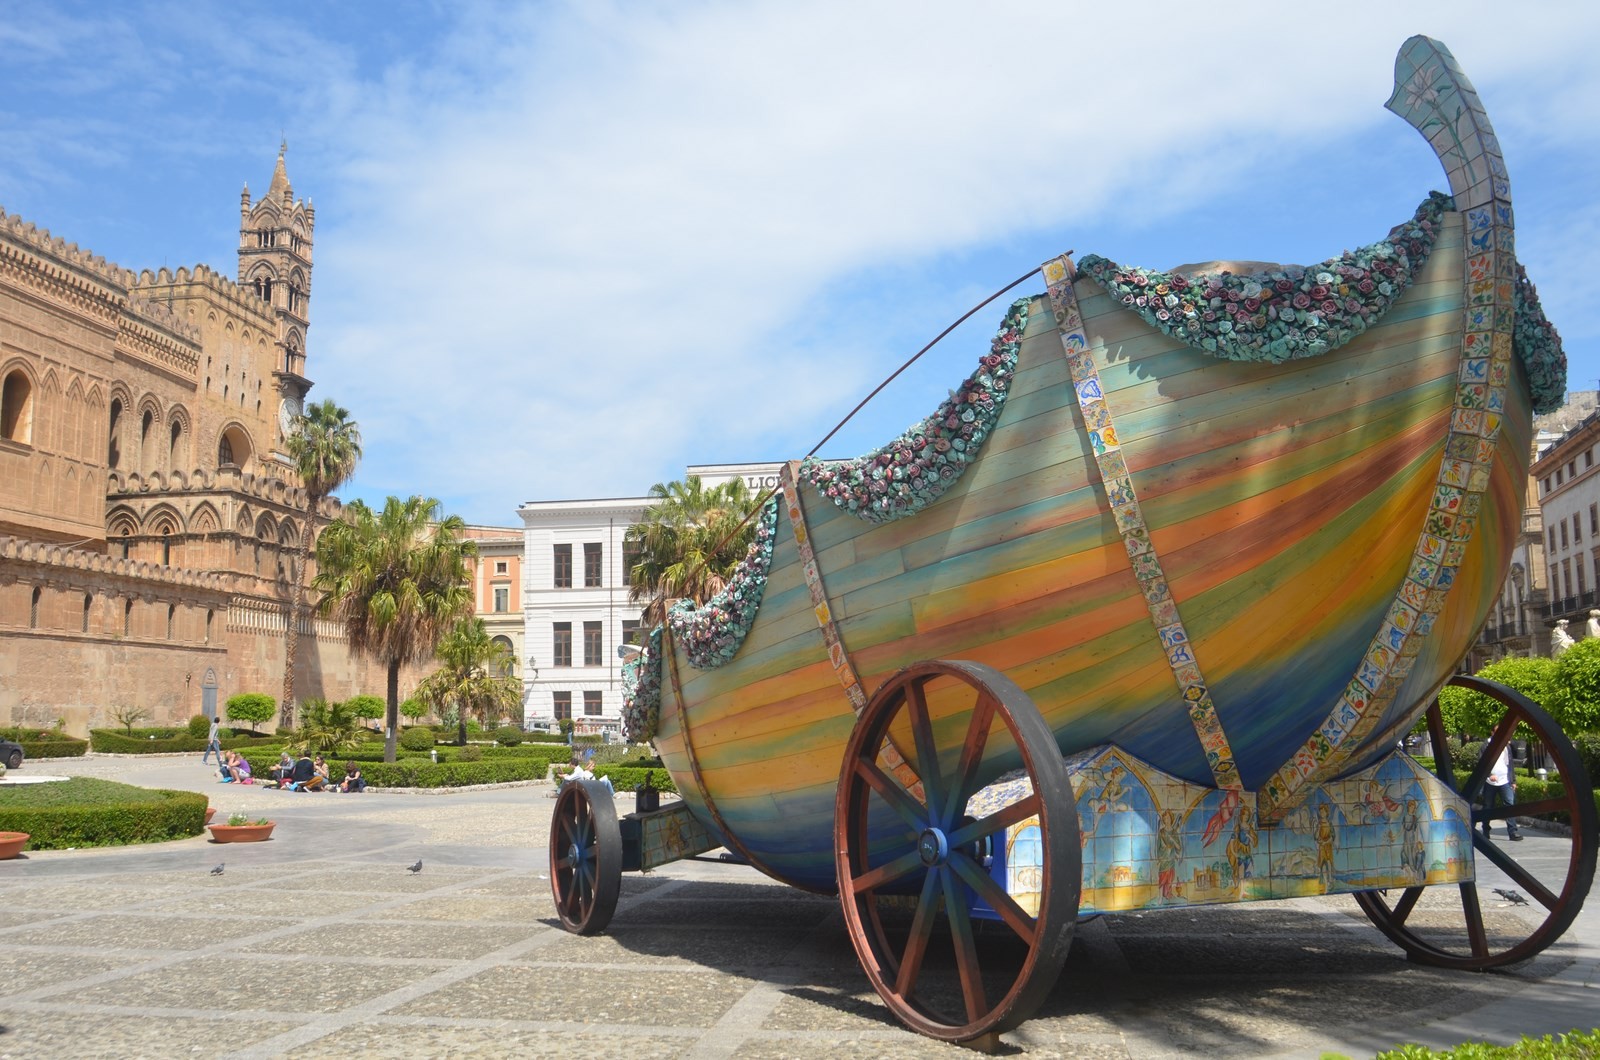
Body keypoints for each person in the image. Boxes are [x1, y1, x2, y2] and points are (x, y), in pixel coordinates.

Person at [1481, 744, 1522, 841]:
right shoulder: (1486, 745)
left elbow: (1510, 764)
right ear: (1492, 733)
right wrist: (1489, 774)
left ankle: (1513, 832)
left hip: (1505, 780)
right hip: (1490, 781)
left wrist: (1513, 781)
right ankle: (1485, 831)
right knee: (1488, 806)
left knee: (1509, 804)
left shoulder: (1506, 746)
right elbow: (1481, 762)